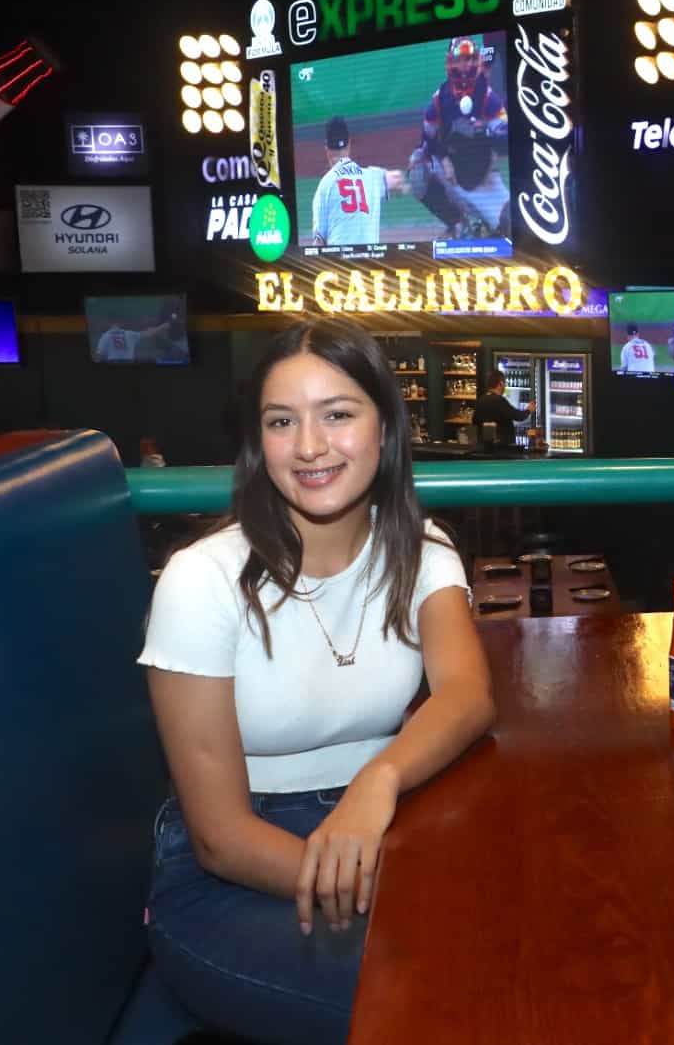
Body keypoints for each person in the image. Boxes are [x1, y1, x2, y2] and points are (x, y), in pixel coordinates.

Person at [138, 322, 495, 1043]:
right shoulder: (201, 580)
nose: (308, 446)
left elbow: (467, 694)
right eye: (281, 421)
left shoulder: (424, 552)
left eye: (337, 414)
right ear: (257, 441)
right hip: (234, 877)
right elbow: (220, 839)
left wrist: (377, 783)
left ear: (386, 426)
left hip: (382, 829)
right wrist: (377, 892)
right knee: (440, 997)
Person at [409, 34, 510, 240]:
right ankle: (458, 224)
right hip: (451, 178)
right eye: (460, 59)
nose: (465, 66)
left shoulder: (489, 99)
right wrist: (444, 159)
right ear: (450, 62)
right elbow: (427, 140)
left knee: (512, 225)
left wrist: (487, 133)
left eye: (469, 58)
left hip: (484, 181)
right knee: (417, 170)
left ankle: (487, 228)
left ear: (477, 60)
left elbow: (505, 141)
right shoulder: (438, 102)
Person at [311, 116, 407, 248]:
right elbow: (397, 179)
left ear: (326, 149)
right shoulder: (372, 178)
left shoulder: (325, 186)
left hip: (339, 263)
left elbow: (318, 242)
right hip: (370, 263)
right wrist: (404, 187)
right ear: (349, 143)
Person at [92, 312, 186, 363]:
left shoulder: (105, 336)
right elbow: (149, 333)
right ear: (119, 322)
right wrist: (164, 325)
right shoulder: (129, 334)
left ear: (108, 323)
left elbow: (98, 356)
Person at [472, 371, 529, 448]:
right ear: (500, 384)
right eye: (504, 384)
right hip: (502, 447)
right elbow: (518, 416)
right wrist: (529, 410)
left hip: (484, 446)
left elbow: (474, 421)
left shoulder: (481, 400)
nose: (505, 386)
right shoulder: (499, 401)